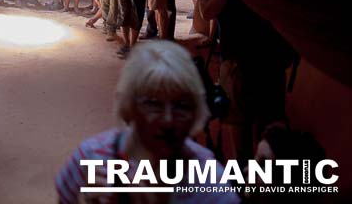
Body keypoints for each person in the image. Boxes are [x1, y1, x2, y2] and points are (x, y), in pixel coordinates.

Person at [55, 41, 240, 203]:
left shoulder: (209, 180)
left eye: (181, 105)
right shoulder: (91, 158)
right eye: (153, 103)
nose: (168, 120)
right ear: (128, 107)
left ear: (196, 113)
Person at [200, 0, 296, 164]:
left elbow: (208, 12)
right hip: (272, 63)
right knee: (269, 125)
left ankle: (244, 177)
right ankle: (265, 179)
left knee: (239, 123)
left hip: (240, 62)